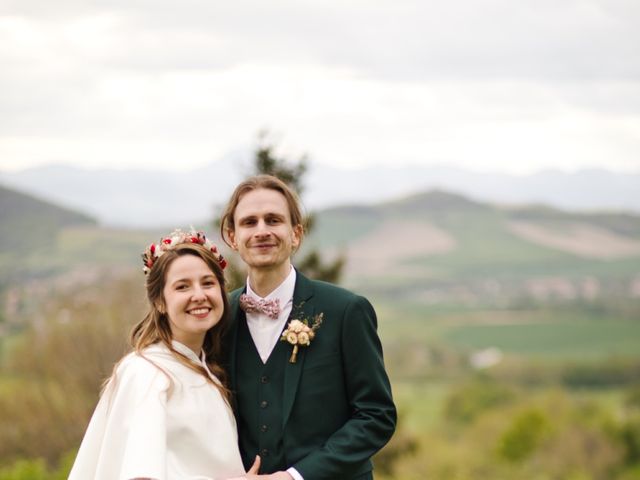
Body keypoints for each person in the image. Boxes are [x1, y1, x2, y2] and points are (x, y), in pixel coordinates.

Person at [220, 175, 397, 480]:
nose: (262, 231)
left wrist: (295, 476)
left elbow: (375, 416)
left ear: (296, 234)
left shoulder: (346, 311)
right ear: (233, 237)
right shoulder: (220, 319)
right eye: (249, 222)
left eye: (273, 220)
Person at [69, 229, 259, 480]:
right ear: (159, 301)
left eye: (208, 283)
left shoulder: (201, 367)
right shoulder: (148, 372)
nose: (199, 295)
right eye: (182, 286)